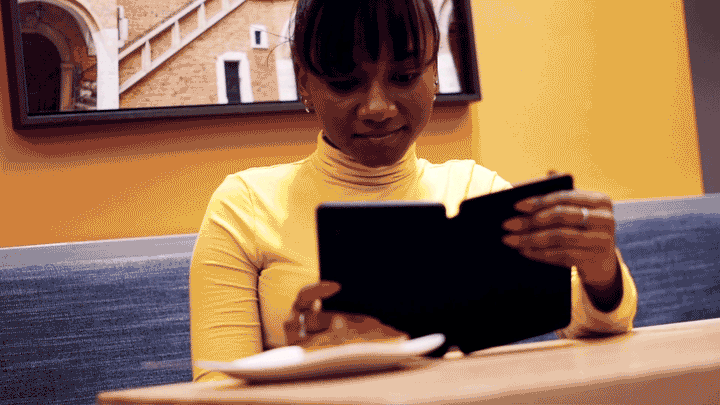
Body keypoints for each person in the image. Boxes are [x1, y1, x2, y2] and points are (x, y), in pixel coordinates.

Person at [190, 0, 638, 382]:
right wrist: (305, 367)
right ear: (305, 83)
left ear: (434, 72)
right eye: (345, 83)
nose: (378, 107)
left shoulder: (477, 192)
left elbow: (594, 327)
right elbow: (213, 390)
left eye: (404, 76)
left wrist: (600, 270)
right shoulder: (245, 206)